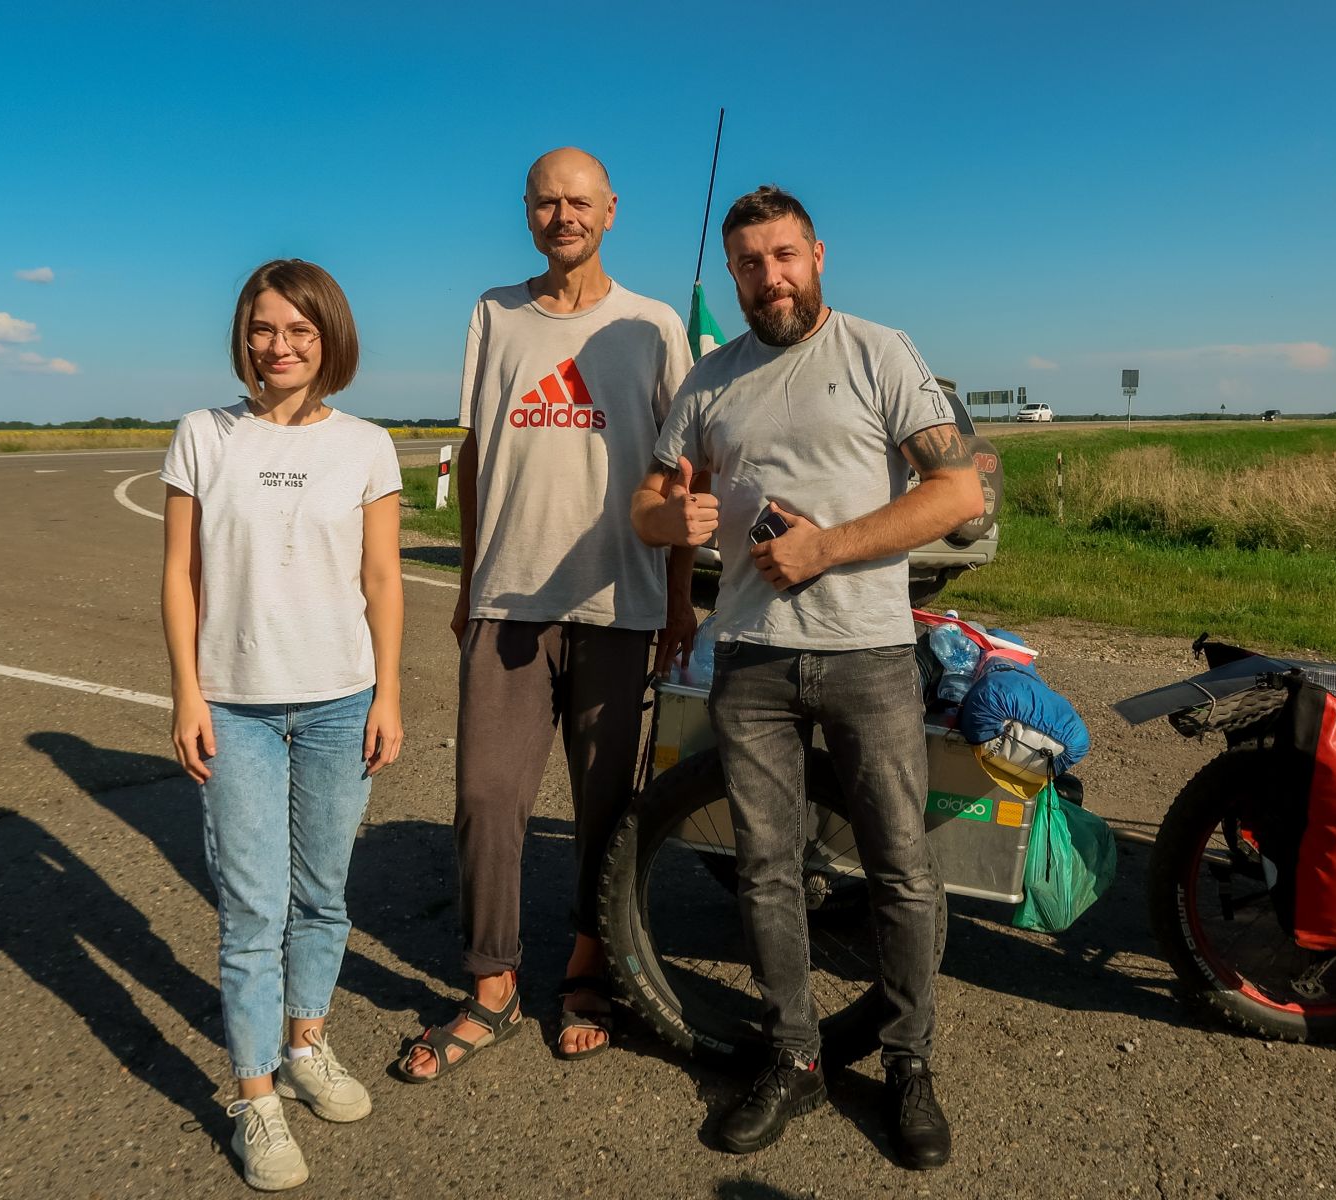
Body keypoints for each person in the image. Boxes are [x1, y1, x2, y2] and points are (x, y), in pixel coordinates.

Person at [633, 185, 983, 1170]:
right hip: (751, 658)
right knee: (766, 869)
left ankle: (909, 1060)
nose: (767, 277)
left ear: (818, 254)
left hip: (868, 653)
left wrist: (830, 547)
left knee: (901, 870)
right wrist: (674, 521)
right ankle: (793, 1057)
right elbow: (651, 507)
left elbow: (957, 491)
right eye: (749, 263)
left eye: (783, 256)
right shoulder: (710, 380)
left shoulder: (879, 351)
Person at [394, 147, 693, 1081]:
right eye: (545, 202)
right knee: (488, 798)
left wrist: (681, 600)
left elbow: (683, 472)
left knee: (605, 804)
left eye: (580, 202)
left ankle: (588, 971)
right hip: (508, 603)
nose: (563, 216)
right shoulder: (494, 312)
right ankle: (491, 983)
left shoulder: (653, 325)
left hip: (622, 600)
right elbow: (476, 451)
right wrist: (470, 584)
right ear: (526, 211)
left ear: (612, 210)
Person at [161, 259, 404, 1191]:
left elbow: (383, 580)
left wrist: (387, 693)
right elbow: (179, 575)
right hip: (237, 705)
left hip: (342, 701)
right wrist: (187, 693)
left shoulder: (367, 445)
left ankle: (309, 1043)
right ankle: (256, 1098)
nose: (281, 345)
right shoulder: (202, 435)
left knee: (325, 895)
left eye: (300, 330)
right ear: (244, 336)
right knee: (253, 909)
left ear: (328, 336)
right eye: (265, 329)